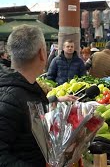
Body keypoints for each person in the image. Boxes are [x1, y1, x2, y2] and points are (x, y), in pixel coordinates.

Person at [0, 25, 78, 166]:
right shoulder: (11, 99)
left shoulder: (26, 88)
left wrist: (54, 101)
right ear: (42, 53)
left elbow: (27, 110)